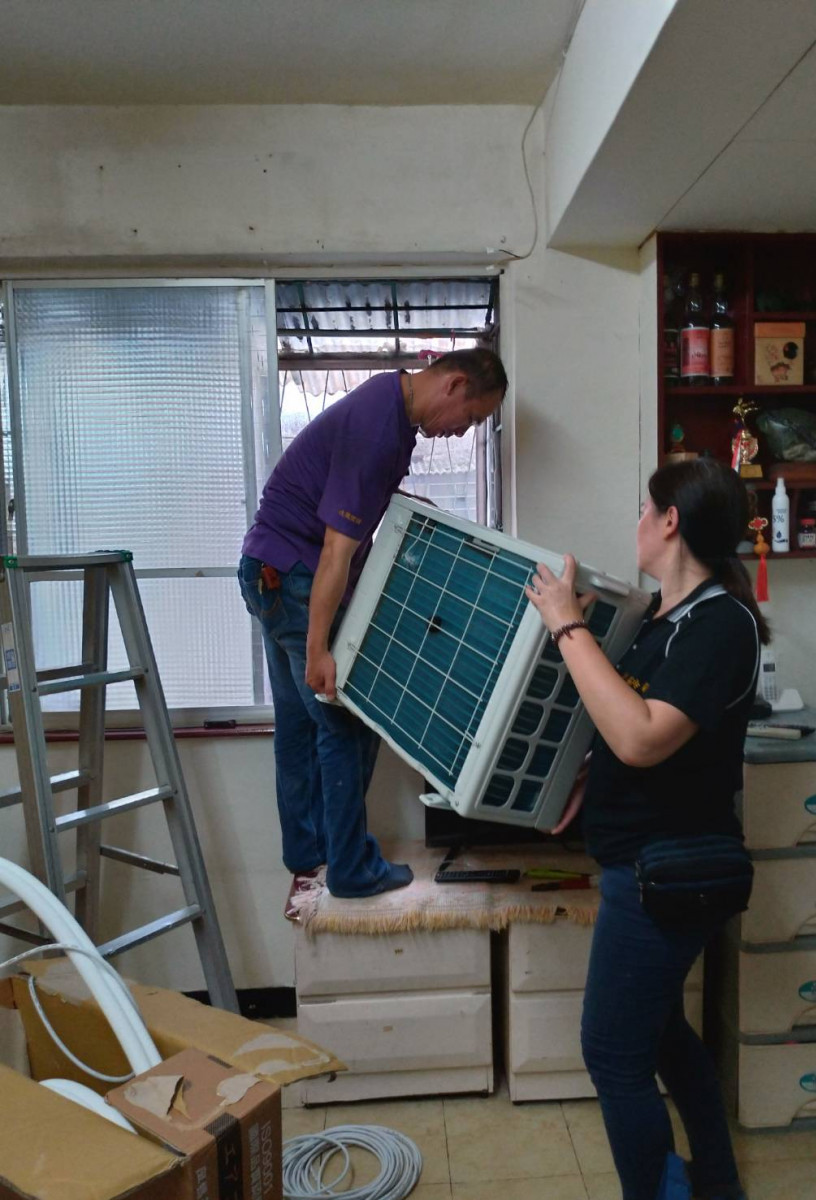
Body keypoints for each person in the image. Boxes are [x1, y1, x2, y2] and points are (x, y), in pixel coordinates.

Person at [525, 458, 768, 1200]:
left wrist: (568, 623)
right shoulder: (662, 618)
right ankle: (716, 1185)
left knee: (611, 1053)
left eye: (643, 509)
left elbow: (642, 737)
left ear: (670, 521)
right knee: (662, 1037)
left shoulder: (721, 622)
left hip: (667, 872)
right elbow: (618, 735)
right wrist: (579, 783)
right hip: (638, 858)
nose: (635, 521)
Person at [239, 349, 507, 901]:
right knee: (344, 721)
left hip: (266, 566)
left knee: (297, 722)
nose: (463, 433)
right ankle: (351, 870)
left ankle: (309, 848)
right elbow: (337, 552)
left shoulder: (390, 402)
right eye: (474, 418)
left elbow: (343, 499)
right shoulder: (380, 429)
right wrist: (319, 650)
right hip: (296, 576)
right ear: (455, 385)